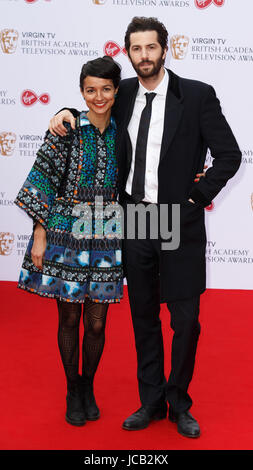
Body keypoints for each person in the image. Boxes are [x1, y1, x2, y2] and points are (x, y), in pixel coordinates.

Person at [48, 17, 242, 438]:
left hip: (176, 217)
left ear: (164, 49)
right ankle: (151, 401)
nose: (144, 56)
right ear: (129, 53)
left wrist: (197, 197)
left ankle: (179, 403)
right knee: (143, 316)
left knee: (185, 319)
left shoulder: (196, 95)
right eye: (136, 50)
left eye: (151, 48)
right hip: (134, 216)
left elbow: (229, 155)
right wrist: (65, 111)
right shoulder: (124, 94)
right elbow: (93, 109)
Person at [14, 56, 123, 427]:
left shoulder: (124, 130)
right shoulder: (66, 127)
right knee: (70, 317)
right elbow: (42, 179)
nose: (98, 96)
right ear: (81, 91)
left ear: (116, 91)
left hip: (107, 230)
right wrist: (39, 236)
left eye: (106, 89)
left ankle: (88, 384)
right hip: (65, 230)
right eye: (90, 89)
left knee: (97, 323)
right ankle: (72, 389)